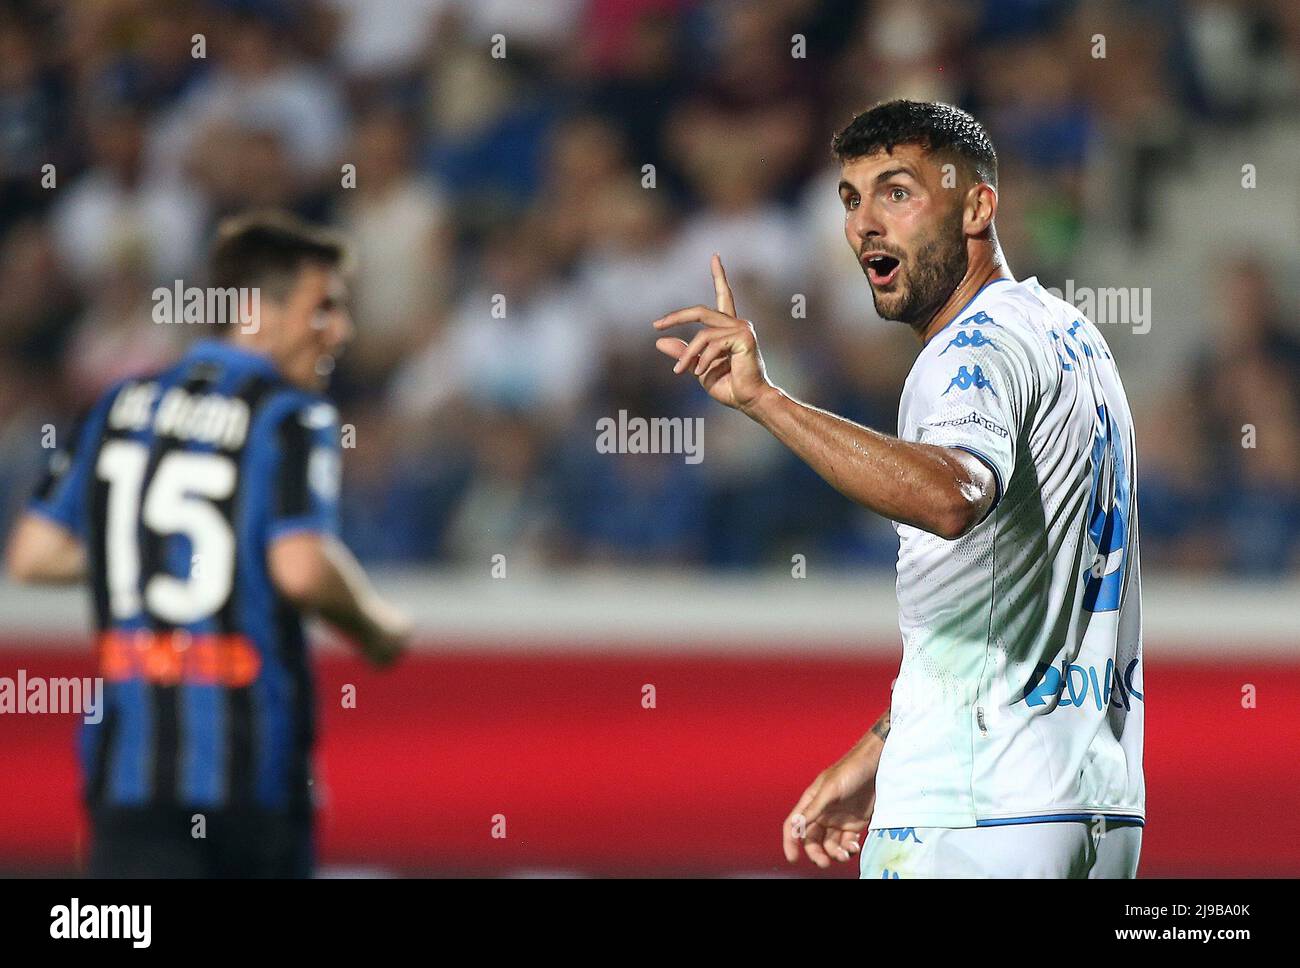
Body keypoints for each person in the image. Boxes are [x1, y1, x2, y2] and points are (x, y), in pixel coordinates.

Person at [653, 100, 1143, 878]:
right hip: (1092, 802)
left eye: (898, 192)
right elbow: (1004, 604)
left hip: (972, 809)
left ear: (978, 205)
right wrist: (884, 744)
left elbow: (951, 497)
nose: (865, 225)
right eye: (852, 199)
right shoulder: (1071, 336)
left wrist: (765, 401)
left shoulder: (969, 351)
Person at [5, 211, 411, 877]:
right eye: (324, 309)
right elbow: (301, 570)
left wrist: (148, 549)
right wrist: (373, 624)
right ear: (255, 311)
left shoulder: (119, 403)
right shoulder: (288, 416)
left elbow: (34, 554)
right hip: (248, 784)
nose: (342, 331)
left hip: (127, 780)